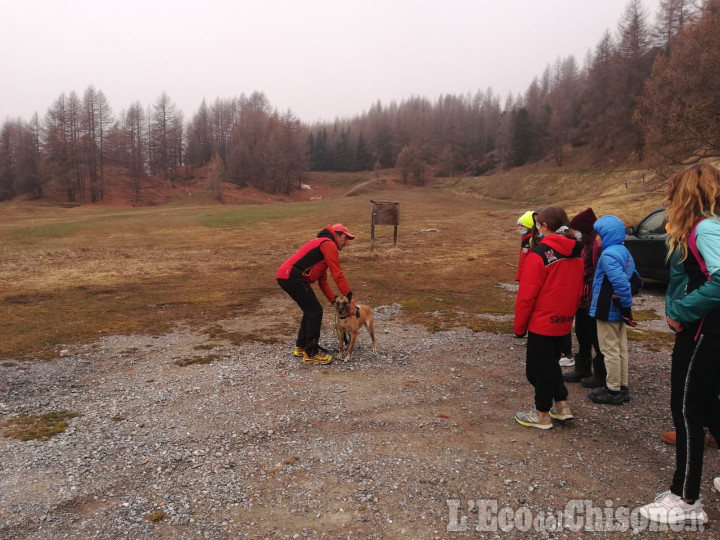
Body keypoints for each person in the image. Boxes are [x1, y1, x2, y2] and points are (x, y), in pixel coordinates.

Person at [639, 164, 720, 526]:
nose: (668, 200)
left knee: (687, 410)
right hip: (707, 331)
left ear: (686, 194)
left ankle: (686, 499)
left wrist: (683, 312)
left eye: (673, 193)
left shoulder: (704, 228)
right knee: (708, 405)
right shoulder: (706, 228)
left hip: (703, 332)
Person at [513, 206, 584, 429]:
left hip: (543, 321)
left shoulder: (540, 253)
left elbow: (527, 295)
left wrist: (519, 327)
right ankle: (561, 405)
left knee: (537, 370)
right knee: (551, 365)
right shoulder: (576, 251)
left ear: (543, 226)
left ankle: (541, 413)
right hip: (564, 320)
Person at [276, 224, 355, 365]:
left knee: (310, 310)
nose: (347, 242)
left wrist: (333, 300)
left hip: (287, 275)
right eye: (345, 238)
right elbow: (338, 274)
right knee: (315, 311)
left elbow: (323, 280)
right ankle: (311, 354)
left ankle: (301, 347)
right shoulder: (329, 244)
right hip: (292, 276)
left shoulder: (323, 246)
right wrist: (350, 299)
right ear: (336, 235)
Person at [586, 215, 636, 405]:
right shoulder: (624, 251)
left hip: (607, 308)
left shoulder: (608, 254)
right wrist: (626, 308)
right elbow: (633, 277)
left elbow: (621, 282)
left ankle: (613, 389)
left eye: (598, 234)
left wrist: (626, 305)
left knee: (609, 349)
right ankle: (622, 386)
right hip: (617, 308)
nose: (596, 238)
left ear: (606, 234)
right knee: (620, 347)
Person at [564, 207, 604, 383]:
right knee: (582, 333)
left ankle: (601, 373)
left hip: (591, 299)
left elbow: (596, 274)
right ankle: (583, 369)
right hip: (582, 298)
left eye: (578, 230)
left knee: (595, 336)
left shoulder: (595, 246)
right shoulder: (587, 244)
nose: (575, 234)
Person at [515, 210, 535, 281]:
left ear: (530, 227)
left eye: (522, 226)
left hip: (529, 275)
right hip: (524, 274)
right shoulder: (525, 238)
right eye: (519, 225)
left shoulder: (532, 240)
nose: (519, 228)